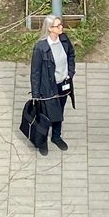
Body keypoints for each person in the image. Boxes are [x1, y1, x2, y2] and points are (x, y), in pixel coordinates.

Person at [28, 15, 76, 154]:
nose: (61, 27)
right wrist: (36, 94)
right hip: (48, 87)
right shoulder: (41, 48)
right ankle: (42, 141)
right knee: (45, 115)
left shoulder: (64, 39)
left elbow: (71, 55)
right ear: (50, 28)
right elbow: (35, 72)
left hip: (63, 84)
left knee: (59, 111)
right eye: (58, 25)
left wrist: (70, 73)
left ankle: (56, 136)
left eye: (61, 24)